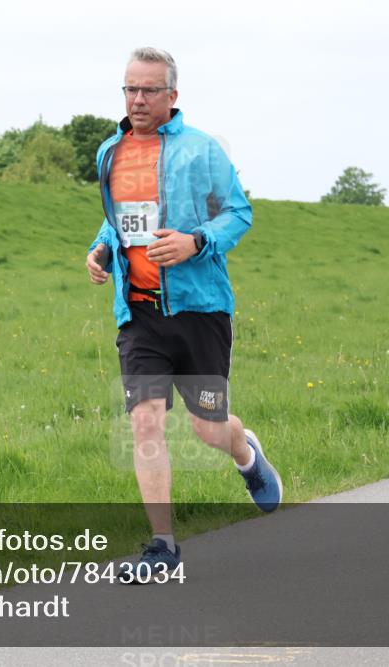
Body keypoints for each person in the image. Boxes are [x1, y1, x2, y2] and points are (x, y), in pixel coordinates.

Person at [85, 47, 282, 578]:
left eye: (150, 90)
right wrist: (100, 249)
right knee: (145, 422)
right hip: (140, 313)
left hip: (199, 311)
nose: (139, 99)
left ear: (173, 96)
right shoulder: (110, 152)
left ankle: (246, 454)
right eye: (130, 89)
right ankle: (162, 548)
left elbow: (239, 214)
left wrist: (196, 242)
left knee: (207, 429)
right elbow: (118, 220)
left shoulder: (202, 151)